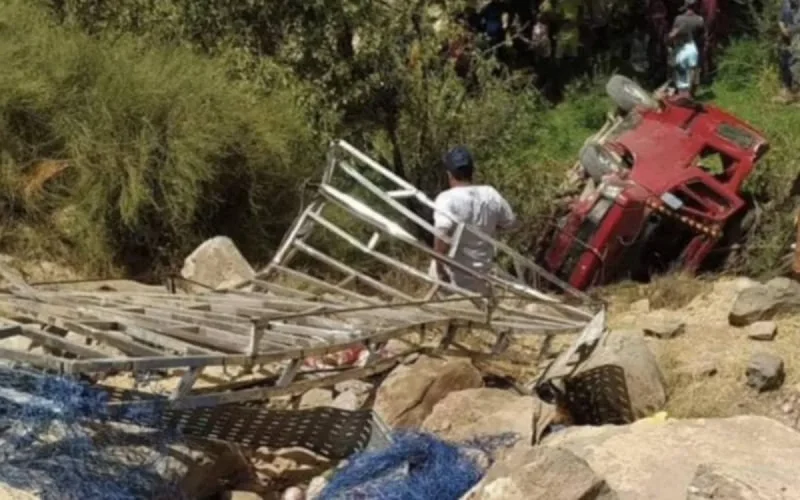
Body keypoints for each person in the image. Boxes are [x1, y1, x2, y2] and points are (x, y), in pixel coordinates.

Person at [432, 146, 518, 296]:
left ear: (449, 174)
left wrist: (439, 269)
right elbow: (510, 223)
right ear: (472, 171)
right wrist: (489, 226)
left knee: (432, 268)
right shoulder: (490, 194)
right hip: (483, 273)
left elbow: (442, 236)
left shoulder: (446, 199)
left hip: (456, 278)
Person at [777, 0, 800, 103]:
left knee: (796, 63)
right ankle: (787, 92)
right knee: (784, 61)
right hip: (786, 37)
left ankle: (797, 94)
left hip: (797, 36)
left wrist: (790, 30)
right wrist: (783, 29)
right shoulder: (786, 3)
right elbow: (781, 19)